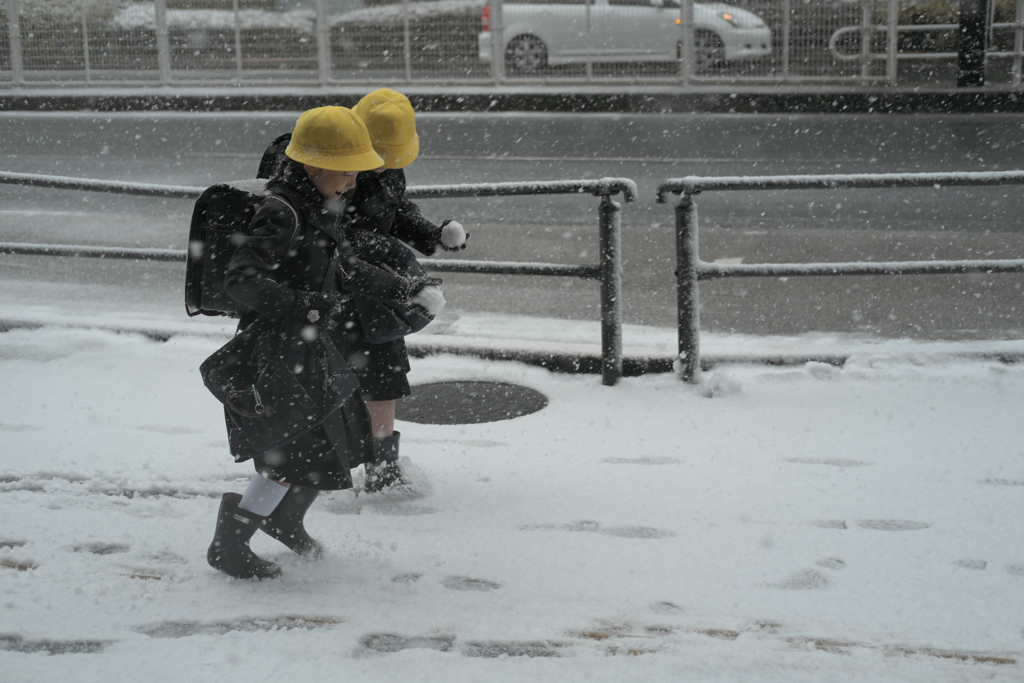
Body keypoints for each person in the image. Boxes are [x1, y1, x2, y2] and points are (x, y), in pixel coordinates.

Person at [207, 106, 446, 580]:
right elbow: (240, 279)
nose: (353, 183)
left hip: (312, 347)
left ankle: (284, 519)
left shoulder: (320, 207)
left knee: (331, 441)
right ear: (313, 166)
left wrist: (405, 288)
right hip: (279, 350)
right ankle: (230, 542)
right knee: (289, 450)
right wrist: (308, 307)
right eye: (346, 172)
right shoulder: (281, 213)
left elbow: (348, 266)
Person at [347, 88, 469, 493]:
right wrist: (401, 270)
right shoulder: (330, 164)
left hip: (373, 287)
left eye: (392, 160)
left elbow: (396, 210)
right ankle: (303, 469)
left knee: (384, 370)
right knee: (322, 373)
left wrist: (434, 234)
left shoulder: (387, 170)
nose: (386, 168)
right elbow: (338, 239)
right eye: (381, 158)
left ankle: (381, 467)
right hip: (331, 286)